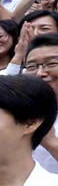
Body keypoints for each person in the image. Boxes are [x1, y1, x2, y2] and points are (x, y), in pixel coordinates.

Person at [26, 32, 58, 172]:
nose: (40, 73)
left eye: (51, 63)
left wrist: (50, 141)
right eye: (32, 66)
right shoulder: (20, 112)